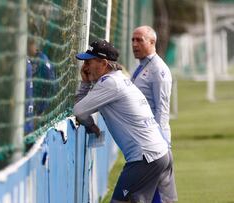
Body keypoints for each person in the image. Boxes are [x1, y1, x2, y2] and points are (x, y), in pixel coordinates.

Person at [73, 39, 174, 203]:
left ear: (104, 63)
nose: (85, 67)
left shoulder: (109, 84)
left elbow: (79, 110)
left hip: (145, 157)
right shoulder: (118, 79)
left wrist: (85, 84)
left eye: (89, 61)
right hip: (158, 153)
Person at [131, 25, 178, 202]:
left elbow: (162, 109)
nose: (134, 44)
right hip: (143, 140)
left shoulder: (159, 70)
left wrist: (160, 142)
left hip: (155, 143)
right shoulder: (142, 66)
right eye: (133, 40)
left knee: (160, 194)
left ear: (152, 42)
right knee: (145, 192)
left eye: (139, 40)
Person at [28, 39, 56, 116]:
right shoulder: (25, 59)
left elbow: (52, 87)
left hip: (37, 110)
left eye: (29, 43)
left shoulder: (43, 62)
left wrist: (41, 108)